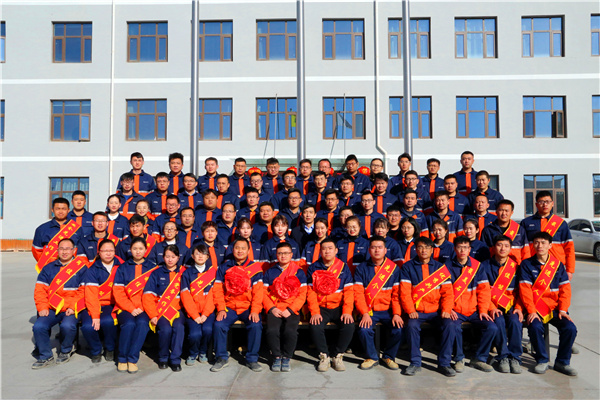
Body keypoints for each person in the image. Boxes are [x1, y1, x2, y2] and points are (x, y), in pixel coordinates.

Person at [518, 232, 577, 376]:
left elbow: (565, 290)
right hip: (535, 308)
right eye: (536, 242)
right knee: (535, 327)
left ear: (550, 245)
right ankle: (542, 360)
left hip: (555, 308)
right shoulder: (526, 264)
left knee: (570, 328)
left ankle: (562, 362)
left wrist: (563, 310)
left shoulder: (557, 265)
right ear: (533, 245)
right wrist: (531, 311)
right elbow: (525, 291)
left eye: (543, 242)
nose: (540, 246)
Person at [400, 237, 455, 377]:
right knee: (411, 326)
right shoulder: (408, 267)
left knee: (450, 325)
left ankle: (444, 363)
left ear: (432, 250)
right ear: (416, 250)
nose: (423, 250)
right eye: (420, 247)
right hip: (417, 312)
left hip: (437, 311)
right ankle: (415, 363)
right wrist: (410, 310)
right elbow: (405, 293)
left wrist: (446, 310)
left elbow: (448, 293)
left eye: (426, 247)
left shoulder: (440, 268)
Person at [31, 238, 87, 369]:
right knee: (39, 326)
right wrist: (42, 307)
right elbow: (40, 290)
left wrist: (73, 306)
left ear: (74, 250)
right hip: (52, 307)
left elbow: (84, 291)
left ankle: (66, 349)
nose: (64, 252)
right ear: (57, 250)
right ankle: (45, 355)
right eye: (62, 248)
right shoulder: (48, 268)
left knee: (67, 326)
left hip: (71, 308)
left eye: (68, 249)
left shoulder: (82, 268)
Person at [211, 238, 264, 372]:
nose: (240, 251)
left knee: (255, 325)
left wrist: (255, 310)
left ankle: (252, 359)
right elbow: (217, 290)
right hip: (229, 306)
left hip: (247, 306)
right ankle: (221, 358)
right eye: (237, 248)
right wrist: (221, 308)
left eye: (243, 248)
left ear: (248, 250)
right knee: (219, 324)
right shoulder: (224, 267)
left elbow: (258, 292)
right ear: (232, 250)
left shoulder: (255, 268)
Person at [447, 236, 497, 373]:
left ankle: (479, 359)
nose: (462, 250)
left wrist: (483, 310)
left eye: (465, 247)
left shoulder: (477, 267)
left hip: (474, 310)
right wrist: (448, 308)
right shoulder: (447, 266)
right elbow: (444, 292)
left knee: (492, 327)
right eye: (459, 247)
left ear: (469, 249)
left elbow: (484, 291)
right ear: (454, 249)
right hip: (456, 310)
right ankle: (459, 359)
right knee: (453, 326)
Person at [354, 236, 403, 371]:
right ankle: (372, 357)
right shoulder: (361, 268)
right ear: (369, 250)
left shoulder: (393, 269)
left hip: (388, 310)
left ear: (385, 250)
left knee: (398, 329)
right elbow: (358, 294)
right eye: (373, 247)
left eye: (380, 247)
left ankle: (389, 356)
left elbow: (396, 295)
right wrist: (364, 313)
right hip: (369, 310)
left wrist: (397, 314)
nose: (377, 250)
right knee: (364, 329)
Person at [307, 238, 355, 372]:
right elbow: (310, 293)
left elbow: (349, 292)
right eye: (324, 249)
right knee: (315, 325)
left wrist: (347, 311)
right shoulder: (313, 268)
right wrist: (315, 312)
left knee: (349, 325)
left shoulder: (343, 267)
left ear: (336, 251)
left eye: (330, 248)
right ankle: (324, 356)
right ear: (320, 251)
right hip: (321, 307)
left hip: (339, 306)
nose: (327, 251)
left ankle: (337, 355)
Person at [113, 237, 156, 373]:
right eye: (135, 248)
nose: (138, 251)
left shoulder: (152, 268)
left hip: (145, 307)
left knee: (142, 324)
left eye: (141, 249)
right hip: (125, 307)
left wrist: (143, 308)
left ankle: (132, 359)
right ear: (130, 250)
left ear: (146, 250)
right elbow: (118, 292)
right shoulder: (123, 267)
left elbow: (154, 292)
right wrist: (131, 308)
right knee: (129, 324)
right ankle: (122, 358)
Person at [263, 242, 307, 372]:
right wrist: (271, 308)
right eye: (280, 253)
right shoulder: (270, 272)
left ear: (291, 255)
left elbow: (302, 294)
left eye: (286, 253)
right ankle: (276, 356)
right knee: (272, 330)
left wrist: (291, 309)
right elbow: (263, 293)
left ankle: (287, 356)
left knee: (290, 331)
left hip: (291, 308)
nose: (283, 256)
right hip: (275, 307)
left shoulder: (299, 272)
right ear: (276, 255)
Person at [143, 245, 186, 371]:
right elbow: (148, 295)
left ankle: (175, 359)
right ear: (163, 257)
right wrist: (152, 315)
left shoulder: (184, 273)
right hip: (161, 310)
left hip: (178, 310)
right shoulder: (156, 273)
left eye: (173, 257)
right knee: (165, 329)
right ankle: (163, 357)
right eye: (167, 256)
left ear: (178, 258)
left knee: (179, 327)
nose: (170, 259)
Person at [484, 235, 523, 374]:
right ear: (494, 248)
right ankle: (503, 357)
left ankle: (515, 357)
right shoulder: (484, 266)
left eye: (506, 246)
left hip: (511, 305)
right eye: (499, 245)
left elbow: (522, 291)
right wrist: (491, 307)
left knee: (515, 321)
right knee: (499, 321)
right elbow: (482, 291)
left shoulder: (516, 267)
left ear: (510, 249)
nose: (502, 248)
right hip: (493, 305)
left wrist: (518, 308)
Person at [81, 239, 121, 363]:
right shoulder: (92, 269)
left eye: (111, 250)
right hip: (94, 303)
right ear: (99, 252)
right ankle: (96, 350)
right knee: (88, 326)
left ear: (115, 251)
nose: (108, 253)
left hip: (112, 304)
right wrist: (95, 315)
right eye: (105, 251)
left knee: (109, 322)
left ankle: (110, 349)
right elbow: (91, 295)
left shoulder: (121, 266)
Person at [520, 191, 575, 279]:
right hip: (532, 266)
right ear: (536, 204)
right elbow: (521, 247)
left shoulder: (561, 223)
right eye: (541, 202)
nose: (545, 204)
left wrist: (569, 270)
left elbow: (569, 247)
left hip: (555, 266)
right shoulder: (526, 222)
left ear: (552, 203)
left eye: (547, 202)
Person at [181, 243, 217, 366]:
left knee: (208, 330)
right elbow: (185, 296)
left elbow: (213, 296)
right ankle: (193, 353)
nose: (200, 256)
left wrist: (205, 314)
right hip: (193, 312)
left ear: (207, 257)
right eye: (197, 253)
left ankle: (203, 352)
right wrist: (195, 315)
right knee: (194, 334)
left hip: (208, 312)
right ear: (192, 256)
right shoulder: (187, 274)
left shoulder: (213, 272)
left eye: (203, 254)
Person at [32, 198, 82, 270]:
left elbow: (81, 251)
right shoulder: (42, 229)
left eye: (64, 209)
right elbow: (36, 251)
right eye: (58, 209)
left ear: (68, 210)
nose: (61, 212)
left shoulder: (77, 228)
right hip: (49, 270)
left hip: (71, 270)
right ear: (52, 210)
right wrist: (47, 266)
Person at [481, 199, 529, 264]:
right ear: (496, 212)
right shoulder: (488, 230)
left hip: (515, 266)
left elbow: (526, 251)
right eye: (501, 210)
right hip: (493, 266)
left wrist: (525, 266)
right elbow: (484, 252)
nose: (504, 213)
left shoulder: (519, 229)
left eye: (507, 211)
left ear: (512, 212)